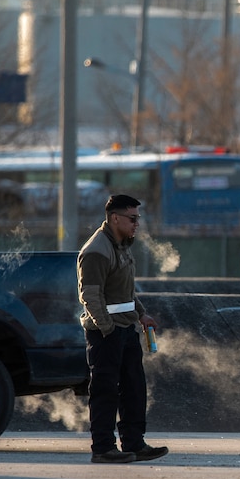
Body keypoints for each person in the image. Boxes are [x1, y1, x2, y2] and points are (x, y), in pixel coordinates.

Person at [78, 193, 168, 464]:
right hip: (107, 333)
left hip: (126, 329)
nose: (136, 224)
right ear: (115, 218)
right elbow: (90, 296)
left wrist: (141, 315)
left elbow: (124, 292)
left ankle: (134, 443)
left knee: (133, 388)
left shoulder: (121, 245)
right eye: (132, 218)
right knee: (105, 390)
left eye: (138, 218)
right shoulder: (96, 250)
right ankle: (103, 448)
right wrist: (107, 329)